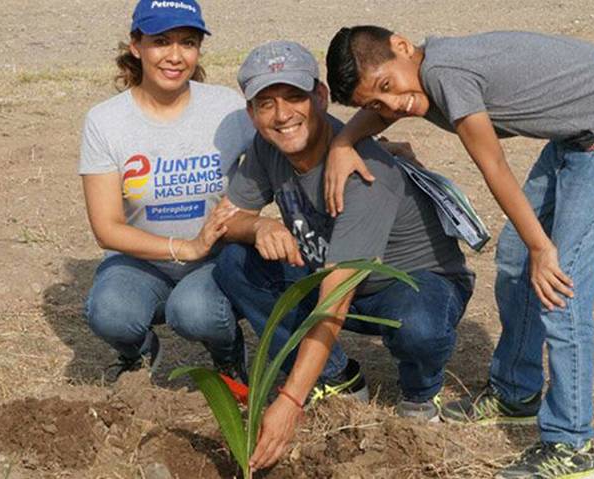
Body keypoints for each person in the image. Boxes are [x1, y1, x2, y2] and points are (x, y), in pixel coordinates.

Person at [324, 26, 594, 479]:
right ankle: (515, 393)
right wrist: (344, 142)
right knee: (516, 261)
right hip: (573, 139)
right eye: (375, 102)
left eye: (388, 87)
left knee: (561, 286)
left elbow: (494, 166)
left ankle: (572, 447)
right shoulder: (419, 76)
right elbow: (385, 111)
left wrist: (544, 247)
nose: (394, 105)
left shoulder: (444, 73)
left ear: (403, 46)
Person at [212, 40, 475, 470]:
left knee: (420, 326)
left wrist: (290, 402)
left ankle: (420, 391)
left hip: (409, 283)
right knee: (236, 264)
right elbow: (231, 218)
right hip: (332, 276)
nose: (282, 115)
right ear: (251, 114)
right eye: (266, 104)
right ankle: (338, 376)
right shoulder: (266, 148)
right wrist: (259, 225)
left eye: (295, 97)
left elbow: (335, 299)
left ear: (320, 96)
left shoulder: (364, 171)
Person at [78, 0, 255, 382]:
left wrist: (348, 144)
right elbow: (107, 228)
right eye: (161, 41)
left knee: (195, 310)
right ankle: (140, 356)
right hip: (142, 261)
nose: (175, 56)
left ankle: (227, 358)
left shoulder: (228, 108)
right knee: (110, 311)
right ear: (136, 46)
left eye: (188, 43)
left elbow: (288, 142)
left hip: (215, 258)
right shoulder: (106, 121)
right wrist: (184, 247)